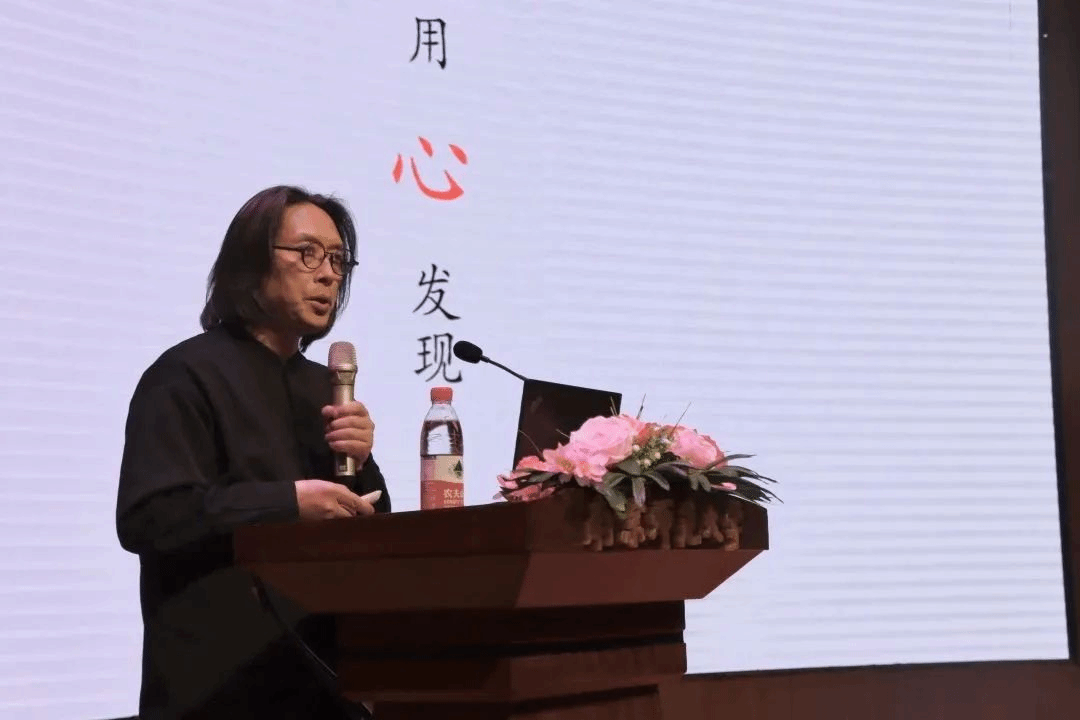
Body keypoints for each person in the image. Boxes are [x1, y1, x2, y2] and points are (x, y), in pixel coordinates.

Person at [115, 185, 390, 719]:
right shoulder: (184, 375)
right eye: (307, 253)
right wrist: (288, 504)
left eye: (337, 260)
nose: (328, 275)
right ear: (251, 262)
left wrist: (362, 467)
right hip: (218, 689)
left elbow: (367, 528)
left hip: (323, 684)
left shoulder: (325, 388)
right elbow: (150, 517)